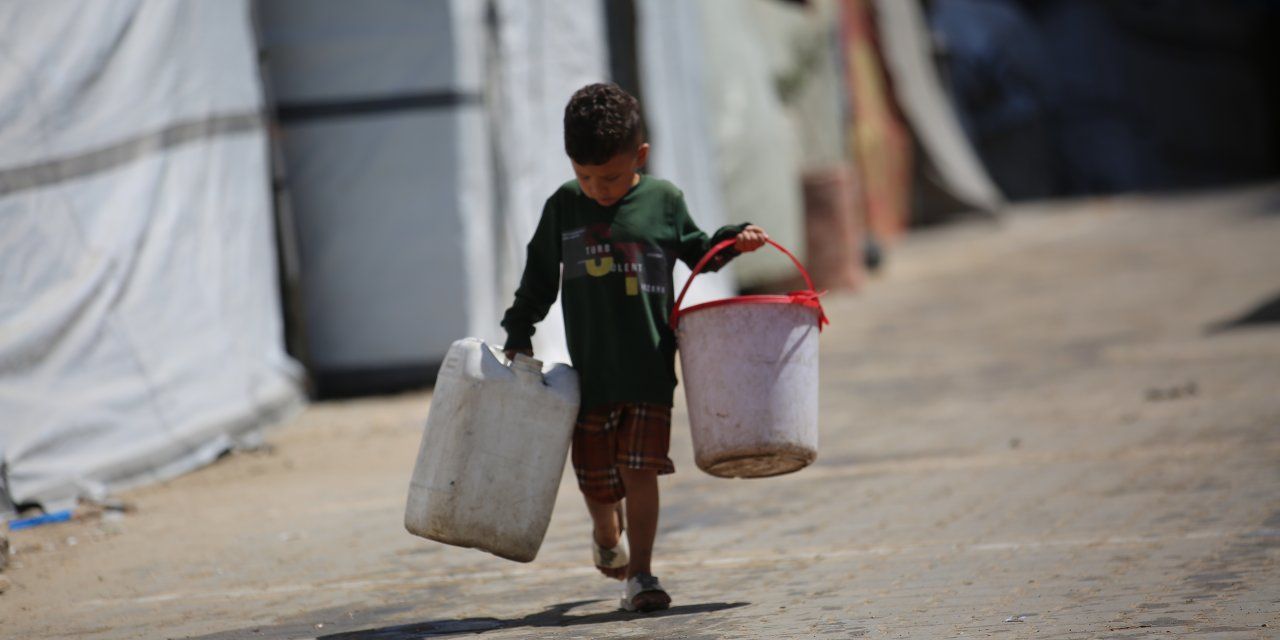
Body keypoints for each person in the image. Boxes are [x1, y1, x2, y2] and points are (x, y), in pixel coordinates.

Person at [501, 83, 767, 613]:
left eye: (612, 178)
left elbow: (699, 252)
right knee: (598, 484)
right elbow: (538, 279)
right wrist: (518, 330)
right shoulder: (564, 207)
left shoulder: (663, 202)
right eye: (586, 176)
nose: (598, 189)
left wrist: (734, 240)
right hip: (590, 377)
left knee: (640, 472)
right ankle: (606, 530)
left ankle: (642, 575)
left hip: (650, 370)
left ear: (639, 156)